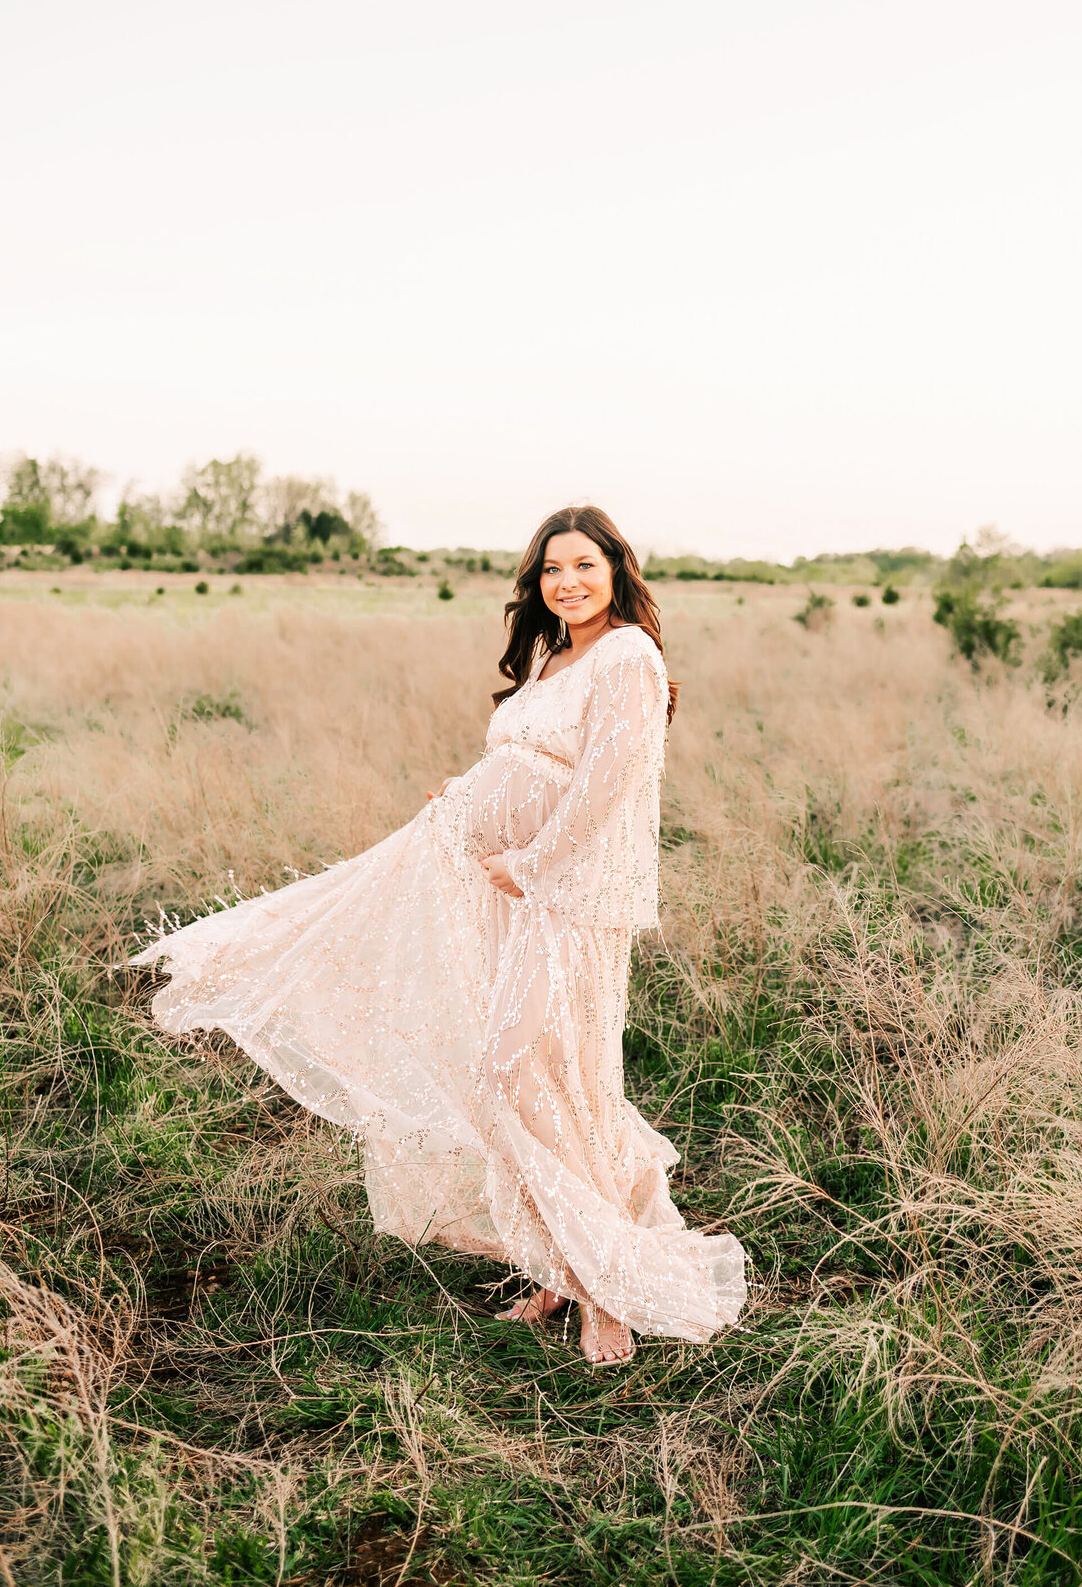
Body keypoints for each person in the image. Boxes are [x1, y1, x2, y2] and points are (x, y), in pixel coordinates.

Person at [130, 506, 746, 1365]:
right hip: (485, 877)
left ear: (617, 570)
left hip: (559, 895)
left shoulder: (629, 657)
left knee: (531, 1068)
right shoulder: (553, 655)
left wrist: (530, 863)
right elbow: (526, 758)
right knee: (496, 1048)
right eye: (550, 570)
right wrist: (462, 797)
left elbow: (611, 783)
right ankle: (563, 1269)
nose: (566, 582)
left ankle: (609, 1284)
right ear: (536, 584)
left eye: (583, 566)